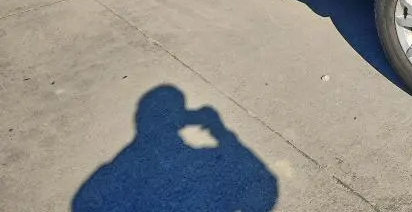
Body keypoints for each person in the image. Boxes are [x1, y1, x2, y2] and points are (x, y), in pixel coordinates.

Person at [72, 85, 278, 212]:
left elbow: (83, 205)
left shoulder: (113, 173)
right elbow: (265, 189)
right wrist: (221, 132)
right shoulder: (204, 163)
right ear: (180, 119)